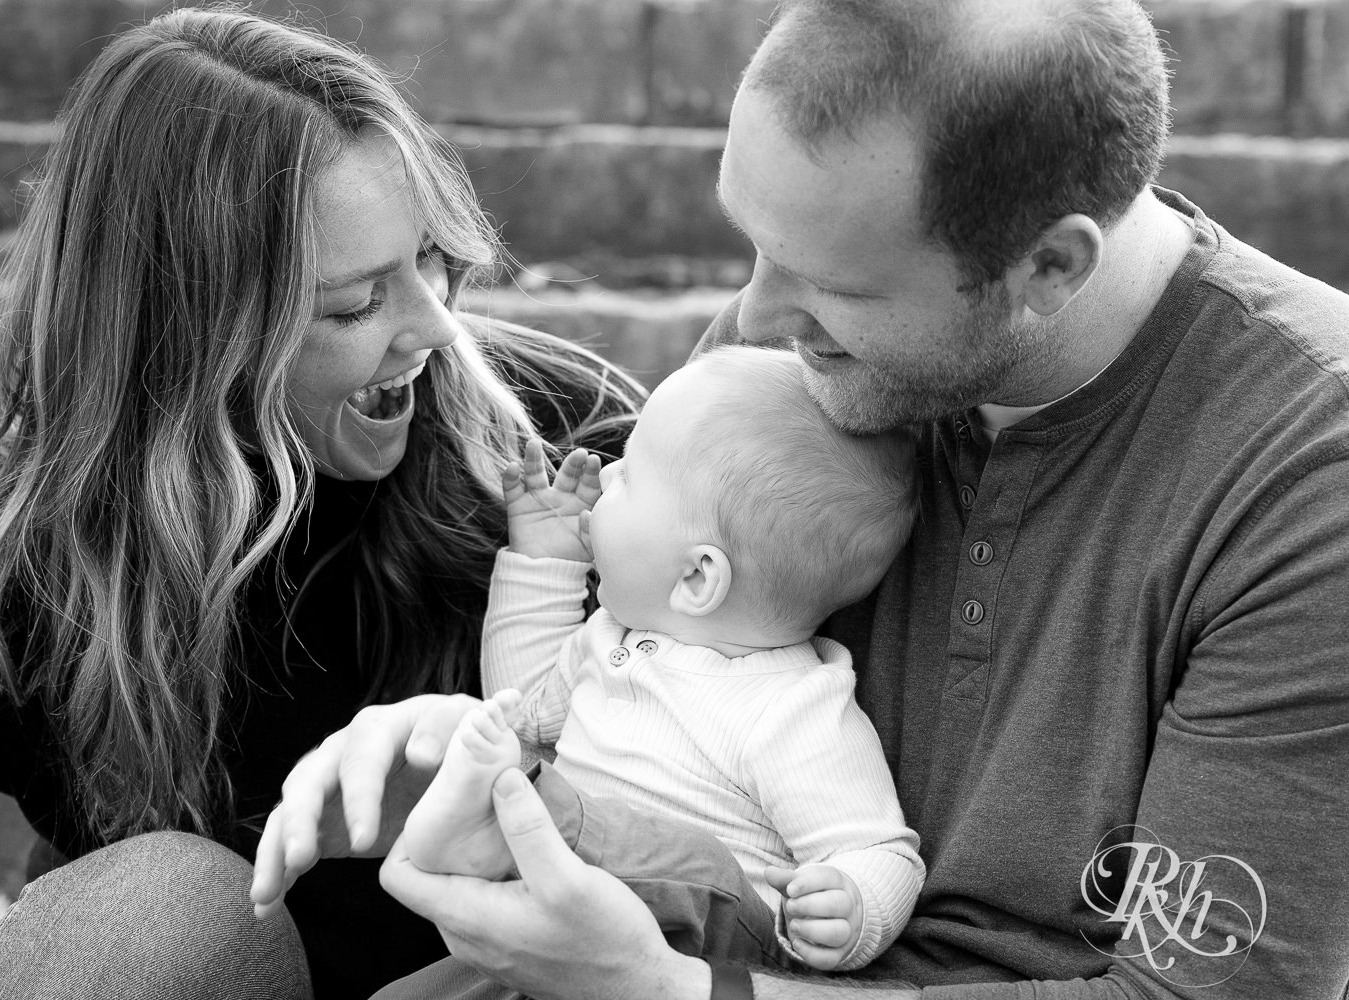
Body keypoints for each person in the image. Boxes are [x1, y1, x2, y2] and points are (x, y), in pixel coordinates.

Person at [263, 0, 1349, 997]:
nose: (753, 312)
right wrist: (478, 755)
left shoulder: (1305, 477)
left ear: (1050, 268)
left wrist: (668, 990)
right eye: (755, 242)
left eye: (833, 284)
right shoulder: (786, 358)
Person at [0, 7, 644, 999]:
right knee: (167, 914)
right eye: (355, 304)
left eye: (431, 261)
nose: (436, 329)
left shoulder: (558, 447)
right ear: (187, 339)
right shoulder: (6, 562)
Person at [264, 344, 926, 975]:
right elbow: (522, 713)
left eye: (630, 475)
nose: (605, 474)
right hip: (556, 929)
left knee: (670, 852)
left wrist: (854, 906)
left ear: (697, 579)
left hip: (689, 944)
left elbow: (877, 848)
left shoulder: (795, 709)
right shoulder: (610, 641)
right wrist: (547, 559)